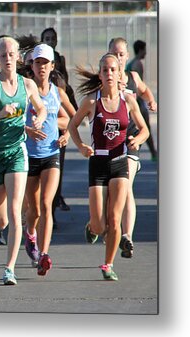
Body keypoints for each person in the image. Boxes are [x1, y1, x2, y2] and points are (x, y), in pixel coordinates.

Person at [0, 36, 46, 284]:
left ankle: (9, 268)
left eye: (11, 54)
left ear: (18, 57)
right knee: (1, 219)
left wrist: (39, 119)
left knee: (15, 212)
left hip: (16, 151)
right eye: (3, 56)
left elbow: (41, 107)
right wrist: (1, 113)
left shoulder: (28, 84)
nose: (8, 59)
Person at [69, 53, 149, 281]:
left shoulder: (128, 100)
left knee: (115, 219)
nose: (110, 74)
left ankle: (108, 264)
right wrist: (82, 146)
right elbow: (73, 126)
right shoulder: (91, 101)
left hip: (120, 161)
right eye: (105, 70)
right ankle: (92, 227)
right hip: (98, 163)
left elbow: (144, 129)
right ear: (100, 75)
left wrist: (138, 139)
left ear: (118, 72)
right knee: (99, 224)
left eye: (113, 70)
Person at [22, 44, 75, 276]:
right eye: (37, 63)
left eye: (46, 63)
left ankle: (44, 254)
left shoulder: (57, 92)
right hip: (28, 155)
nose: (41, 67)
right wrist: (28, 130)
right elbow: (12, 123)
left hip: (51, 154)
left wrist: (65, 134)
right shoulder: (24, 91)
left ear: (52, 66)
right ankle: (30, 234)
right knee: (33, 210)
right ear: (31, 66)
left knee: (46, 204)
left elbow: (73, 118)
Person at [108, 37, 157, 258]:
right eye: (114, 53)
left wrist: (151, 101)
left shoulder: (133, 78)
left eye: (121, 54)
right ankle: (106, 226)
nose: (118, 58)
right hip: (109, 143)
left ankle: (127, 235)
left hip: (131, 141)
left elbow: (145, 91)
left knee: (126, 186)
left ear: (126, 56)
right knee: (113, 191)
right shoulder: (104, 79)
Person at [40, 27, 77, 216]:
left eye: (52, 38)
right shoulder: (36, 66)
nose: (49, 41)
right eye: (46, 38)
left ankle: (53, 206)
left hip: (58, 115)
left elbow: (66, 89)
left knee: (56, 168)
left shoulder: (59, 61)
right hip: (38, 130)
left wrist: (69, 131)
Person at [126, 39, 157, 161]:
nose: (146, 53)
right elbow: (137, 86)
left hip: (137, 100)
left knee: (141, 127)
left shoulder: (133, 63)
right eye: (145, 50)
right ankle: (152, 153)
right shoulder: (137, 64)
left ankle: (152, 152)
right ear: (140, 50)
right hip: (137, 101)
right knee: (144, 127)